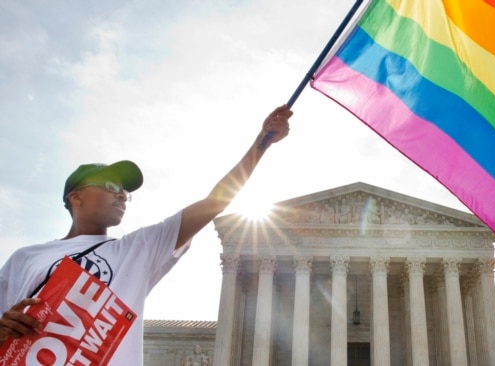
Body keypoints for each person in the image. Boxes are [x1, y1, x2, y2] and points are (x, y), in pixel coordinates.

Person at [0, 105, 292, 364]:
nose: (122, 196)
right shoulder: (25, 258)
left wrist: (261, 143)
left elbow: (213, 203)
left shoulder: (137, 250)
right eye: (111, 187)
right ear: (76, 197)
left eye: (125, 192)